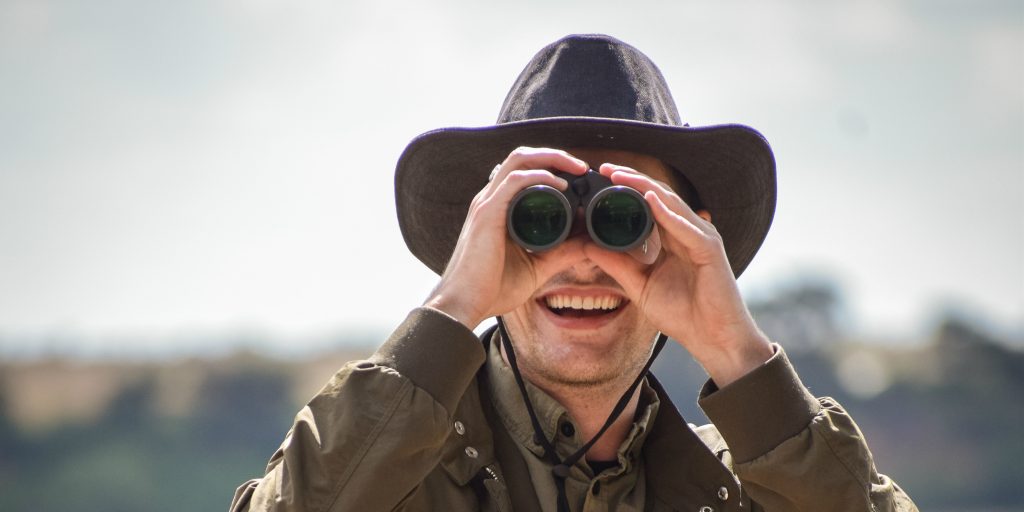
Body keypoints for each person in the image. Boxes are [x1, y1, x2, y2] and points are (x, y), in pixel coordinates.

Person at [230, 34, 917, 512]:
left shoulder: (751, 489)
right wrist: (452, 305)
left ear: (690, 235)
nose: (582, 257)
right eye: (539, 218)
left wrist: (739, 354)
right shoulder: (389, 477)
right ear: (483, 230)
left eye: (626, 219)